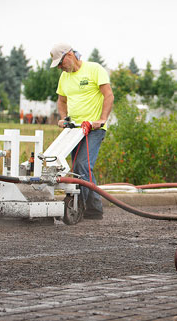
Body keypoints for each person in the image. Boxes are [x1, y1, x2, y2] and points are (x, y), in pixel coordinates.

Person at [50, 42, 114, 220]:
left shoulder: (94, 69)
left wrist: (102, 119)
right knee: (79, 169)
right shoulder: (64, 77)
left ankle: (84, 207)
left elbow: (108, 95)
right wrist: (64, 118)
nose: (60, 68)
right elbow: (61, 101)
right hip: (74, 130)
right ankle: (91, 209)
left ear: (69, 55)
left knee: (82, 166)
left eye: (61, 63)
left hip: (93, 129)